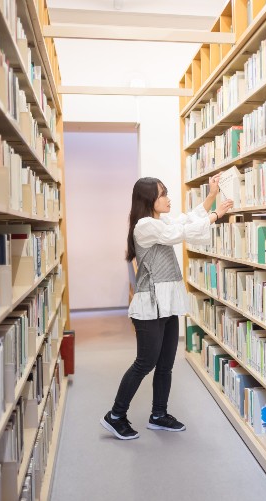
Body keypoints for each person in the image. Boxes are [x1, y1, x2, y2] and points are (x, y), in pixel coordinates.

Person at [100, 175, 233, 440]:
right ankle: (115, 415)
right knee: (144, 362)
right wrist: (216, 215)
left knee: (166, 364)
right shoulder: (145, 226)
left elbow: (184, 221)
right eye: (162, 194)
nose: (168, 198)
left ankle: (158, 415)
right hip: (150, 305)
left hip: (169, 302)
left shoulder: (160, 221)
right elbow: (178, 234)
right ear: (149, 199)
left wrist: (211, 196)